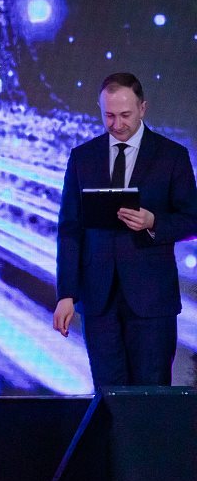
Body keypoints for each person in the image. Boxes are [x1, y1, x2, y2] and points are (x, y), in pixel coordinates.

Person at [53, 72, 197, 386]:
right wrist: (66, 294)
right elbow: (70, 230)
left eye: (125, 115)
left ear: (143, 108)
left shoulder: (171, 156)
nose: (117, 124)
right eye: (109, 116)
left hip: (152, 300)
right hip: (98, 301)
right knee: (108, 394)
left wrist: (153, 222)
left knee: (151, 392)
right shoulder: (83, 158)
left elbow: (192, 219)